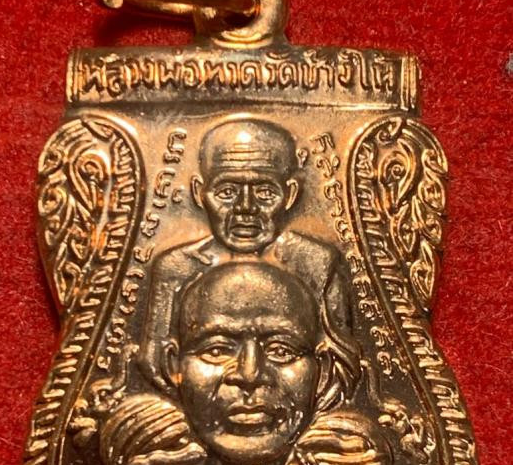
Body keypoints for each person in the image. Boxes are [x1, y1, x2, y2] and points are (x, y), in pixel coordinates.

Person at [102, 262, 393, 465]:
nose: (249, 375)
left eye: (281, 350)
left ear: (323, 372)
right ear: (172, 365)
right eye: (217, 349)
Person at [139, 116, 354, 398]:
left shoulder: (316, 263)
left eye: (265, 192)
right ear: (199, 192)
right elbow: (155, 365)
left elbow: (341, 367)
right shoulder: (176, 268)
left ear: (290, 195)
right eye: (227, 192)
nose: (245, 208)